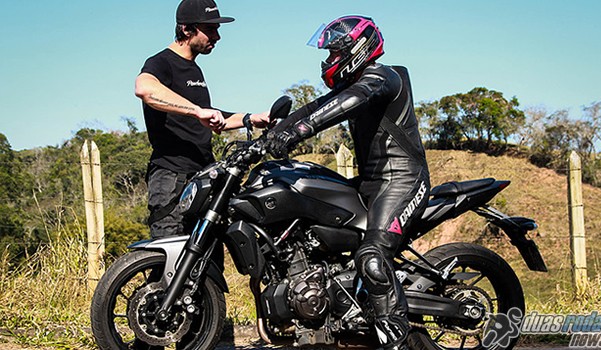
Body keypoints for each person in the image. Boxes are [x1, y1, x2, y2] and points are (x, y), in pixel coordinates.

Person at [264, 16, 430, 350]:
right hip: (371, 183)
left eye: (335, 53)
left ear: (358, 48)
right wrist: (268, 136)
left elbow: (346, 102)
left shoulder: (383, 77)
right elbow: (316, 107)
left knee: (371, 257)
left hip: (402, 180)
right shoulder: (353, 83)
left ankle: (395, 341)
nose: (329, 61)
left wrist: (298, 132)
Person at [135, 0, 270, 238]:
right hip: (172, 179)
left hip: (204, 177)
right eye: (210, 29)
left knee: (207, 260)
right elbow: (144, 89)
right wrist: (197, 111)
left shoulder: (195, 70)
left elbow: (210, 117)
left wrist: (251, 118)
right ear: (187, 29)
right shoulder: (161, 62)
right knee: (171, 260)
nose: (217, 37)